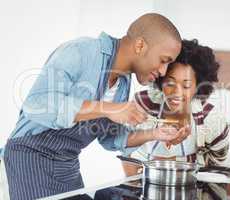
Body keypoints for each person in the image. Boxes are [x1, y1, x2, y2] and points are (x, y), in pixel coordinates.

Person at [3, 13, 190, 200]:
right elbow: (37, 104)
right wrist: (110, 108)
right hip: (29, 158)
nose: (163, 71)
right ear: (140, 45)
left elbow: (110, 138)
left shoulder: (123, 84)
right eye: (163, 60)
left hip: (67, 166)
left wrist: (155, 134)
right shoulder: (81, 51)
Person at [122, 39, 230, 176]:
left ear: (198, 86)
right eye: (170, 83)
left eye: (186, 86)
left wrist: (172, 163)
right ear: (160, 81)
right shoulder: (143, 104)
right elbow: (126, 151)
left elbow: (218, 163)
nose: (177, 93)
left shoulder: (210, 117)